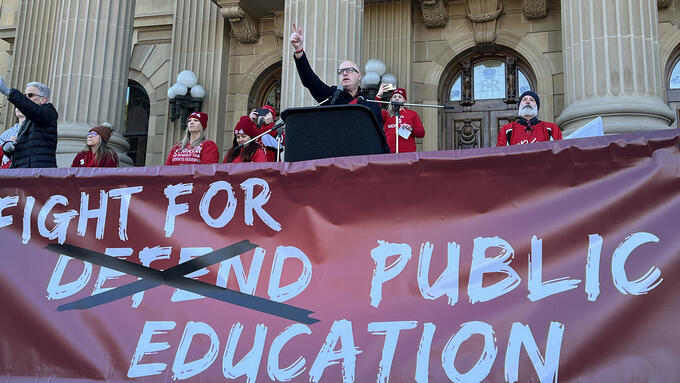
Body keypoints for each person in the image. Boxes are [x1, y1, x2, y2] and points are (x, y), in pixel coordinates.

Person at [289, 23, 390, 154]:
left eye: (349, 70)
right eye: (341, 71)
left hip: (362, 158)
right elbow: (310, 81)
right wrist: (299, 51)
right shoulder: (332, 95)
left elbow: (379, 137)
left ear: (359, 76)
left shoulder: (371, 103)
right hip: (335, 156)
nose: (344, 73)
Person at [0, 78, 58, 168]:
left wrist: (8, 92)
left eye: (30, 95)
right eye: (25, 95)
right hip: (22, 171)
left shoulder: (49, 112)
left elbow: (32, 109)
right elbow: (24, 153)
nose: (26, 98)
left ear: (43, 99)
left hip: (38, 172)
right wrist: (7, 148)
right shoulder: (27, 121)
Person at [497, 90, 562, 146]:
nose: (528, 102)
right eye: (524, 99)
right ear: (519, 106)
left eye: (532, 100)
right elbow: (501, 155)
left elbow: (558, 152)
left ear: (537, 106)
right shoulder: (507, 130)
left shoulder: (552, 129)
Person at [375, 84, 425, 153]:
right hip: (389, 153)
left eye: (400, 97)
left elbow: (421, 133)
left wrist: (411, 129)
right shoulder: (386, 114)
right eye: (394, 96)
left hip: (408, 153)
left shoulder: (412, 114)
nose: (396, 98)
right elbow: (374, 112)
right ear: (391, 100)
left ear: (404, 100)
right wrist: (379, 95)